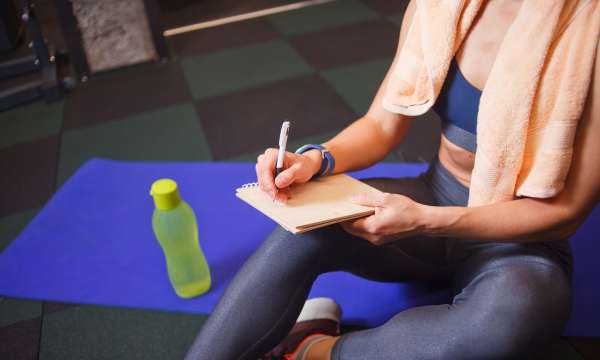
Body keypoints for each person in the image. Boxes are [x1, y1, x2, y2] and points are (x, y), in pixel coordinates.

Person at [186, 0, 600, 359]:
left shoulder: (591, 29)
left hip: (521, 241)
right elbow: (381, 126)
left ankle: (313, 348)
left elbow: (567, 212)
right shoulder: (439, 7)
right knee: (302, 229)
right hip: (436, 195)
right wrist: (315, 159)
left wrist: (425, 221)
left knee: (511, 320)